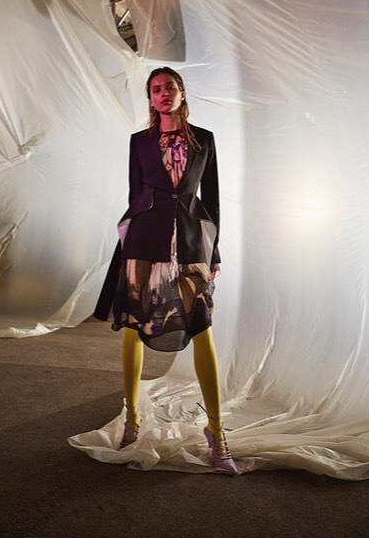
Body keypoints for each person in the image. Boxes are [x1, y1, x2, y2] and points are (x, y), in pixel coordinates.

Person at [94, 67, 237, 475]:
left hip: (191, 241)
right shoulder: (138, 141)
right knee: (135, 326)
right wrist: (128, 238)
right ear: (150, 99)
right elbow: (135, 194)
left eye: (170, 87)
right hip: (144, 240)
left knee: (201, 326)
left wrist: (214, 251)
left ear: (182, 92)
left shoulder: (204, 139)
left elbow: (212, 200)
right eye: (156, 89)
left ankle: (216, 431)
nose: (163, 93)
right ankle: (132, 419)